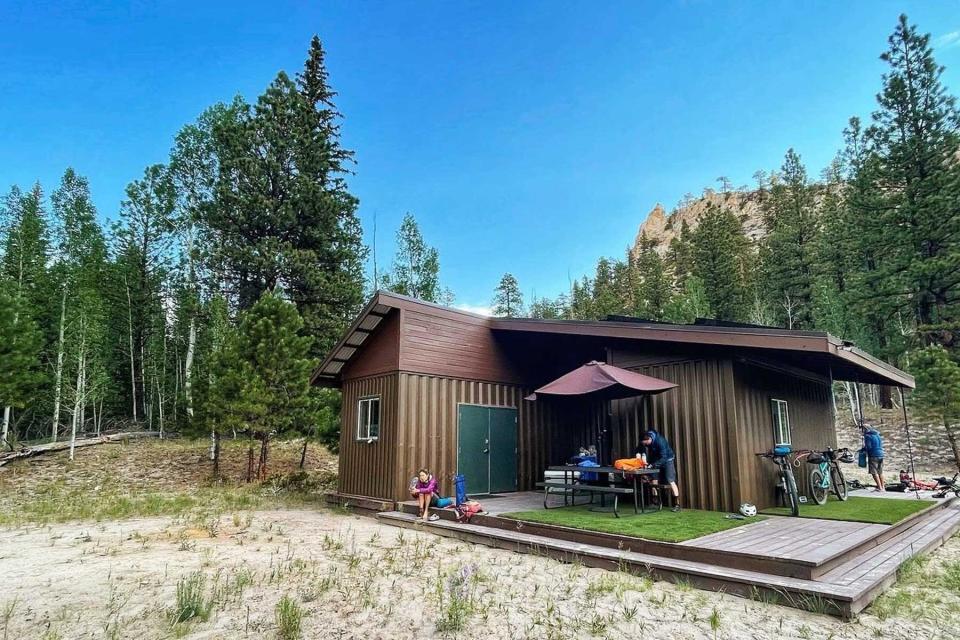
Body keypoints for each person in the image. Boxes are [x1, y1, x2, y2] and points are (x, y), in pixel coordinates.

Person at [636, 430, 681, 512]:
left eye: (646, 443)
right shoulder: (645, 440)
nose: (645, 445)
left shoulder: (660, 441)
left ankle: (677, 504)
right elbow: (640, 449)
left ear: (649, 439)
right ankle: (655, 502)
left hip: (667, 459)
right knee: (654, 479)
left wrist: (653, 465)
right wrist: (642, 457)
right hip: (655, 459)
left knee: (670, 480)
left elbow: (664, 457)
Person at [863, 425, 885, 492]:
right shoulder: (877, 435)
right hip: (881, 454)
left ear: (866, 429)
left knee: (874, 472)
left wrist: (864, 449)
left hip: (873, 455)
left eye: (863, 429)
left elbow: (868, 447)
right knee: (880, 472)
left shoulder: (868, 436)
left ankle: (879, 487)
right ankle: (883, 487)